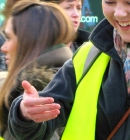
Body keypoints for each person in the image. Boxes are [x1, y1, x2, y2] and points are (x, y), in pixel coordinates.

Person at [8, 0, 130, 139]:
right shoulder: (87, 56)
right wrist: (25, 114)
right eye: (109, 1)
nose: (118, 13)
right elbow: (37, 129)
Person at [0, 0, 74, 139]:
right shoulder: (61, 81)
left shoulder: (38, 93)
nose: (3, 47)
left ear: (29, 41)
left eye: (9, 38)